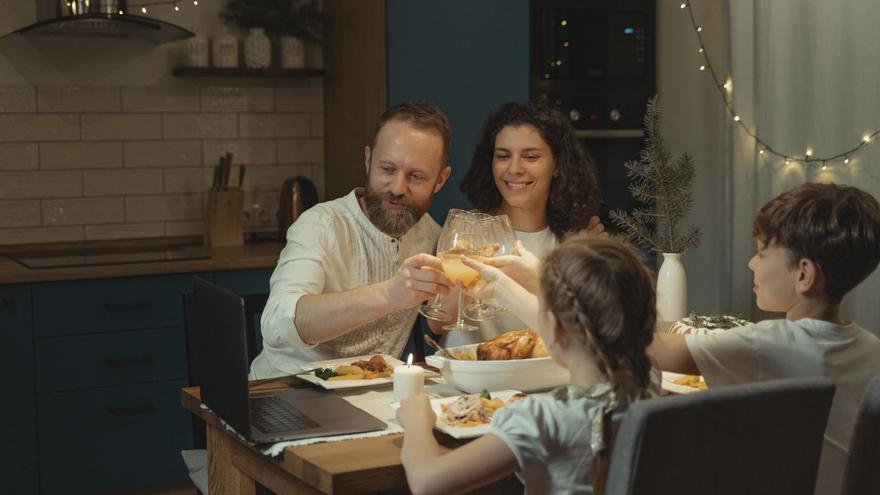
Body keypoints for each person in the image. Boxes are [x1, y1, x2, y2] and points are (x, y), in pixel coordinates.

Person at [649, 182, 880, 495]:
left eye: (760, 253)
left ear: (803, 275)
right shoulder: (873, 349)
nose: (751, 263)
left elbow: (653, 350)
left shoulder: (767, 345)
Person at [397, 235, 660, 494]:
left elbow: (426, 480)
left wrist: (416, 419)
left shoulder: (542, 419)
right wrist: (500, 285)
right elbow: (579, 328)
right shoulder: (649, 380)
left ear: (554, 327)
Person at [251, 102, 455, 378]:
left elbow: (440, 323)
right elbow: (278, 326)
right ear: (368, 160)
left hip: (374, 398)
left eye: (416, 176)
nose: (397, 188)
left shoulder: (432, 234)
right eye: (387, 169)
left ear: (441, 180)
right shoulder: (320, 225)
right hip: (287, 393)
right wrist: (389, 294)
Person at [441, 101, 605, 347]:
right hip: (469, 379)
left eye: (530, 157)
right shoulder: (467, 229)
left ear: (558, 166)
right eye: (503, 156)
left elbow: (594, 331)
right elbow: (438, 321)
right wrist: (468, 269)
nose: (514, 169)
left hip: (541, 379)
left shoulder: (579, 241)